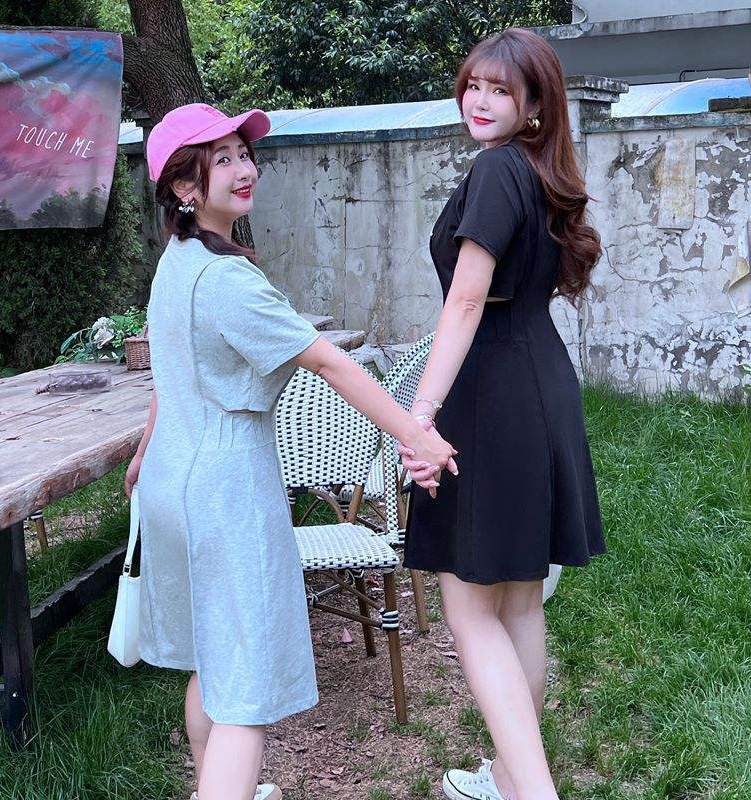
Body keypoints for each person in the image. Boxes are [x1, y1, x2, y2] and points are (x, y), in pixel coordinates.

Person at [123, 103, 457, 800]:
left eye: (244, 154)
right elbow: (329, 362)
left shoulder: (176, 264)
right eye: (221, 159)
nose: (244, 169)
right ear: (183, 186)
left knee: (213, 664)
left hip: (171, 481)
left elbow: (169, 373)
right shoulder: (228, 280)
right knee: (244, 696)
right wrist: (416, 434)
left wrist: (145, 451)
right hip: (224, 487)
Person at [399, 28, 606, 800]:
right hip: (542, 387)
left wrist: (420, 413)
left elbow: (465, 300)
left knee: (469, 608)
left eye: (500, 90)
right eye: (473, 85)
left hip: (492, 396)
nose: (479, 100)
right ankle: (511, 779)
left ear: (533, 105)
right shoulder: (538, 171)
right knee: (518, 599)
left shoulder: (494, 170)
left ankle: (533, 789)